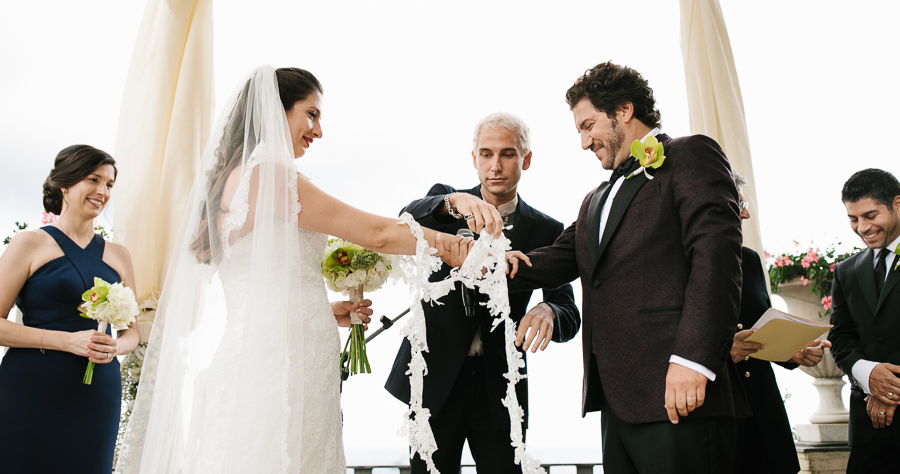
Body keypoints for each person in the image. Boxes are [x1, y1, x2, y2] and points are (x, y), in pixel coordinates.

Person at [117, 65, 478, 474]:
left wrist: (322, 309)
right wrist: (456, 241)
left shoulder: (232, 180)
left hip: (259, 350)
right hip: (285, 362)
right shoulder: (271, 175)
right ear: (276, 112)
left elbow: (259, 286)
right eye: (311, 114)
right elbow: (376, 234)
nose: (318, 130)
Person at [506, 61, 748, 474]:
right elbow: (559, 258)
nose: (584, 142)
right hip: (617, 404)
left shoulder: (690, 155)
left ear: (623, 110)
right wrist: (477, 259)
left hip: (679, 393)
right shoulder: (595, 198)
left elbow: (717, 260)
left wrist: (693, 361)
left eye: (587, 126)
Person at [385, 112, 581, 474]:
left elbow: (569, 309)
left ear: (526, 159)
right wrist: (454, 202)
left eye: (507, 154)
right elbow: (405, 218)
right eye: (486, 154)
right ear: (474, 158)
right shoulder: (446, 204)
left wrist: (550, 310)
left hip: (500, 388)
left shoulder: (548, 229)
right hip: (436, 382)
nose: (496, 166)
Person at [0, 145, 140, 473]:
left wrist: (116, 346)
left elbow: (132, 331)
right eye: (94, 179)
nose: (102, 191)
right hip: (30, 388)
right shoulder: (28, 243)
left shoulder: (119, 255)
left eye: (109, 184)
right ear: (65, 183)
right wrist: (64, 341)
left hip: (97, 394)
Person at [729, 172, 828, 474]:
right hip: (720, 420)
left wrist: (792, 352)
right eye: (738, 203)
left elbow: (763, 327)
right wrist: (723, 352)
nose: (745, 213)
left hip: (764, 414)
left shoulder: (749, 259)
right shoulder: (675, 264)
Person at [828, 168, 900, 474]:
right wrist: (869, 376)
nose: (862, 227)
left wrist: (890, 391)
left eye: (870, 215)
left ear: (898, 204)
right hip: (870, 429)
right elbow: (841, 338)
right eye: (853, 219)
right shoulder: (846, 271)